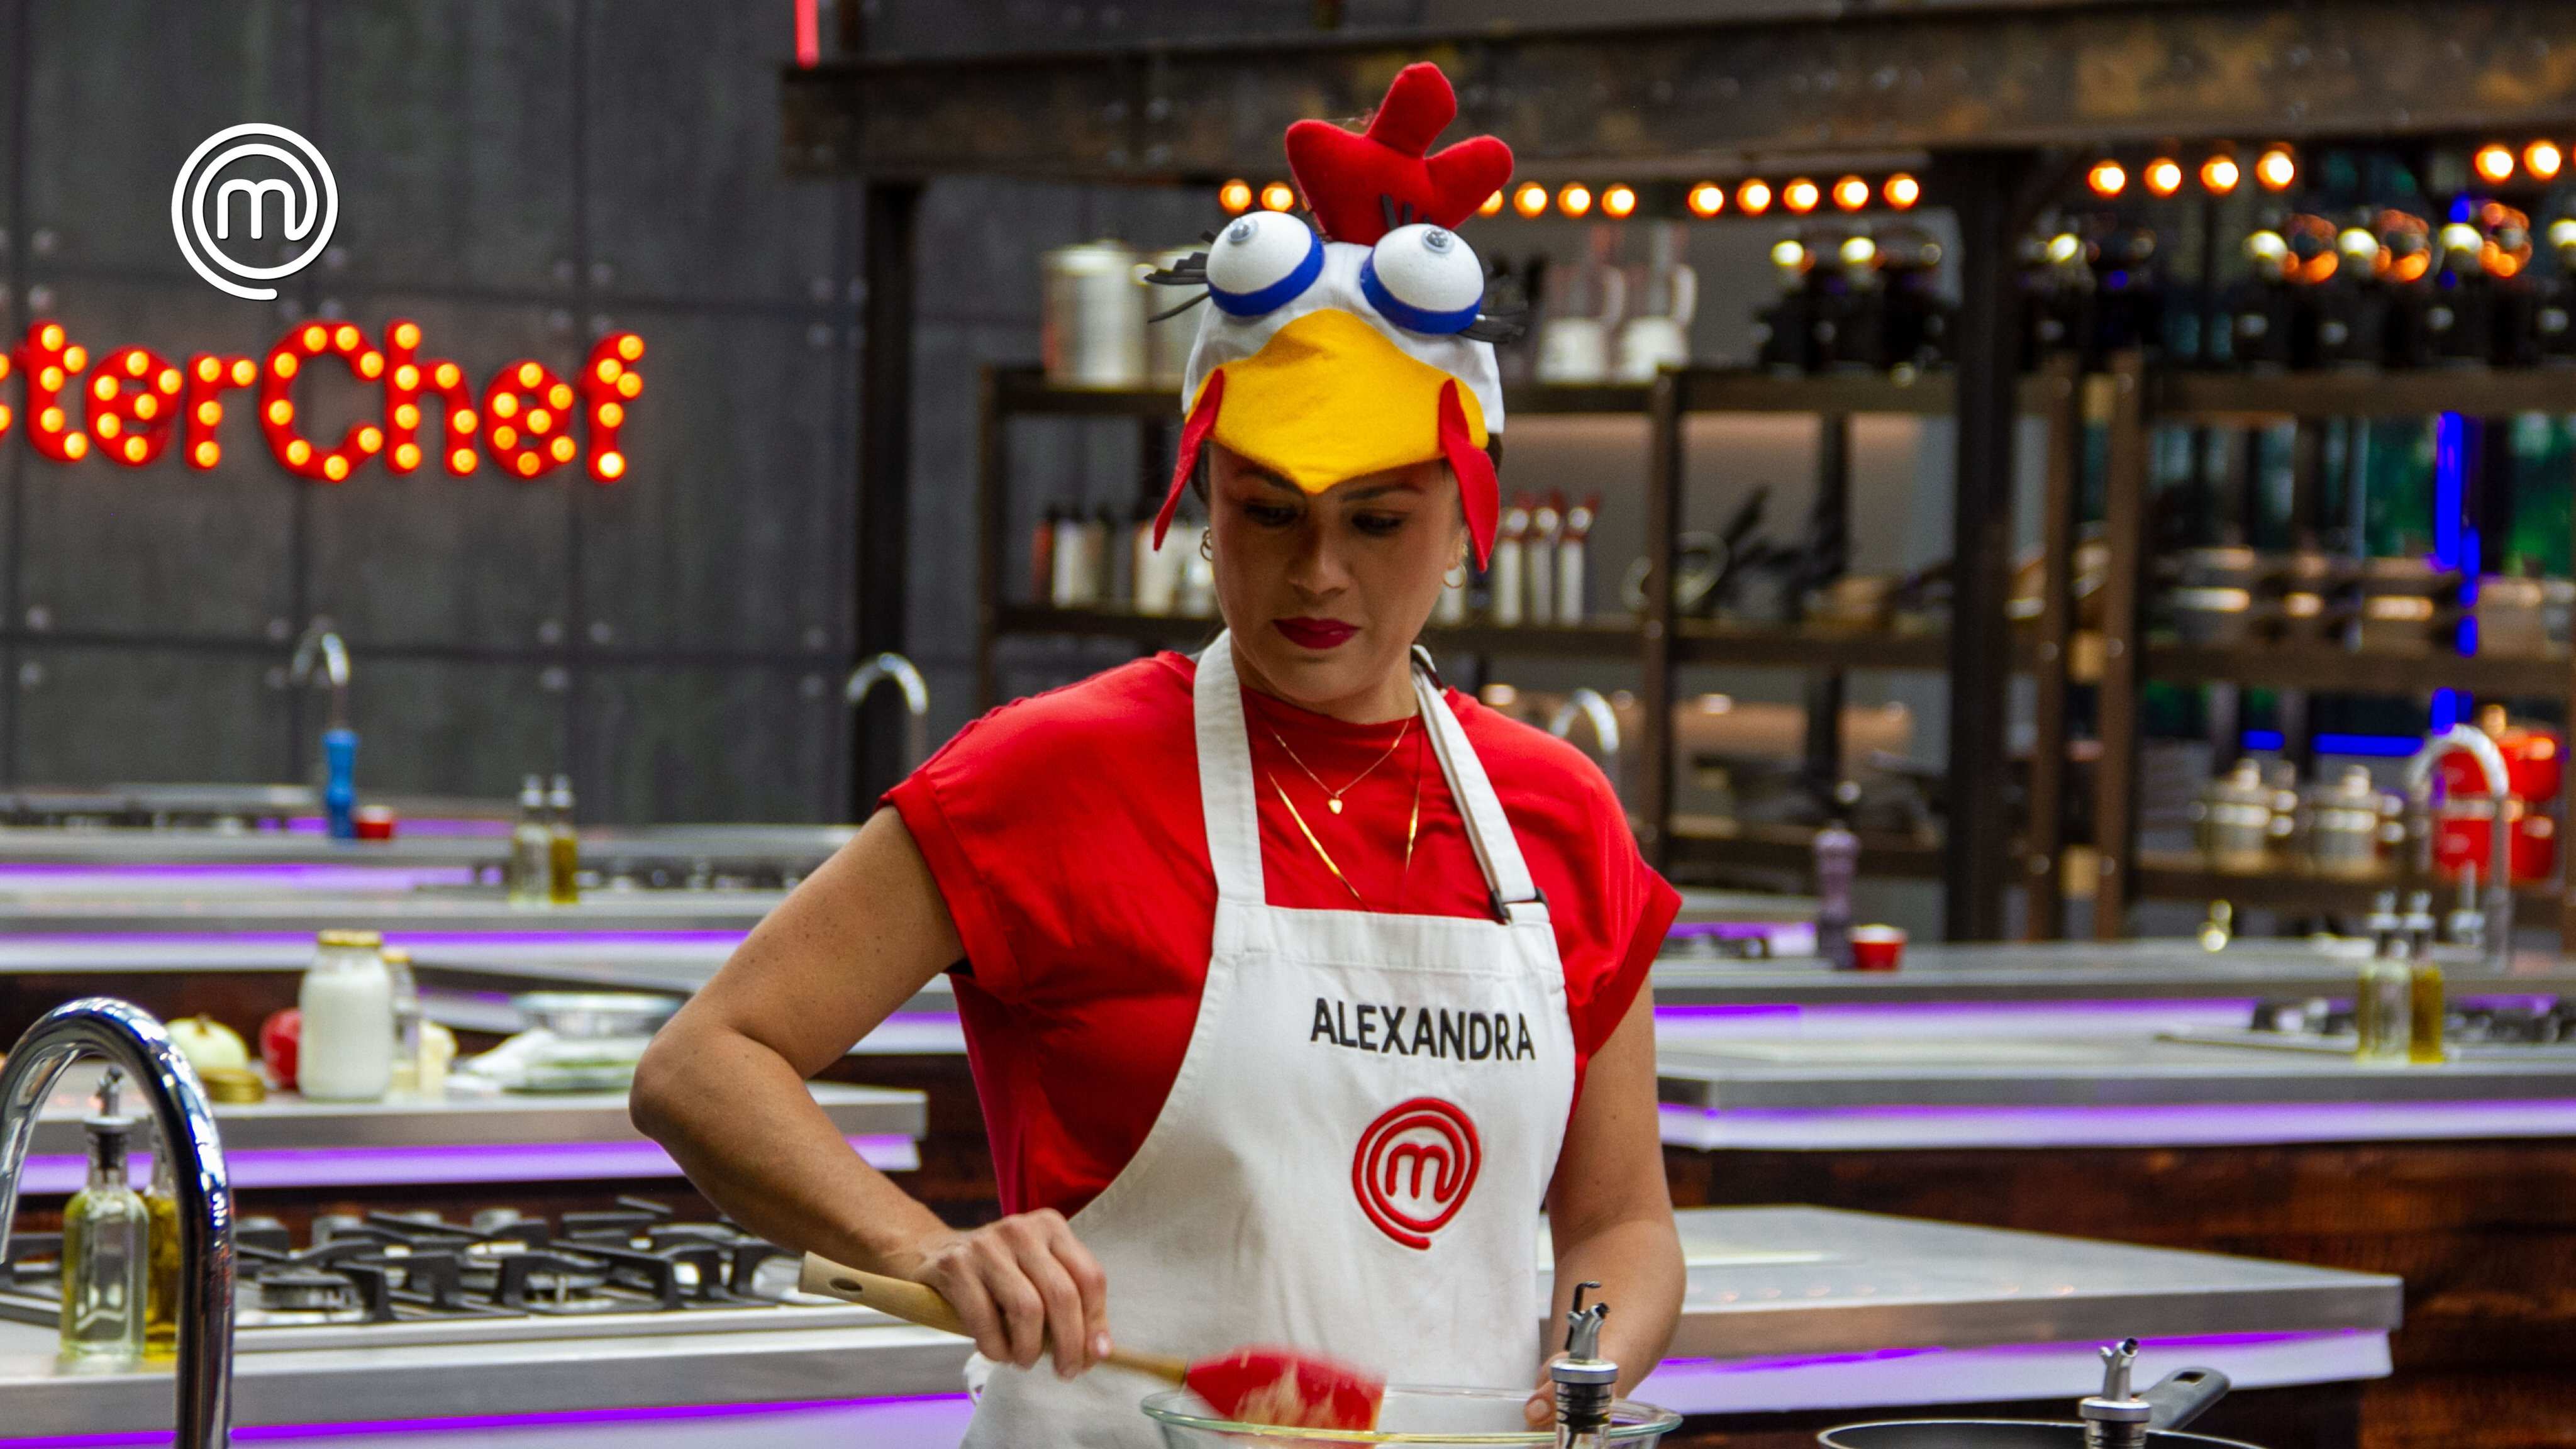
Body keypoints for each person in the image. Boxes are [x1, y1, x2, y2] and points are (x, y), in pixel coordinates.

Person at [632, 61, 1684, 1446]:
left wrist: (1581, 1372)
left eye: (1375, 523)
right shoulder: (1052, 774)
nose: (1317, 573)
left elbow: (1616, 1217)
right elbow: (706, 1063)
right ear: (1202, 502)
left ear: (1464, 518)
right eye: (1266, 513)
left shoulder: (1554, 813)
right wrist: (929, 1245)